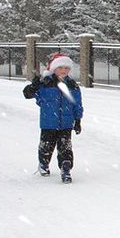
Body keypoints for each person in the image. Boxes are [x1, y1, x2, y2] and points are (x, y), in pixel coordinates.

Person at [23, 52, 83, 184]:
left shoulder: (72, 85)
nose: (64, 71)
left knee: (65, 148)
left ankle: (65, 169)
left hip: (66, 123)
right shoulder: (45, 84)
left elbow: (77, 104)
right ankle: (43, 164)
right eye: (60, 68)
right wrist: (34, 86)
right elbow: (27, 94)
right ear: (53, 69)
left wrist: (78, 120)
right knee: (46, 147)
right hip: (48, 123)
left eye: (66, 68)